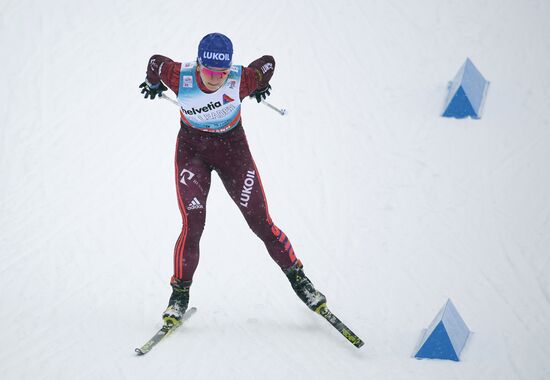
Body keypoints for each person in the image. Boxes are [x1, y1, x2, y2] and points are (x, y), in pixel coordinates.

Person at [139, 33, 326, 325]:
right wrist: (152, 83)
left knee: (261, 222)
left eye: (222, 73)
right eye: (210, 72)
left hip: (233, 154)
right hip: (193, 154)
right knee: (193, 223)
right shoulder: (178, 75)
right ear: (198, 64)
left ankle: (300, 280)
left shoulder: (243, 79)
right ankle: (179, 295)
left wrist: (262, 84)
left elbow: (268, 63)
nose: (215, 80)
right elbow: (154, 62)